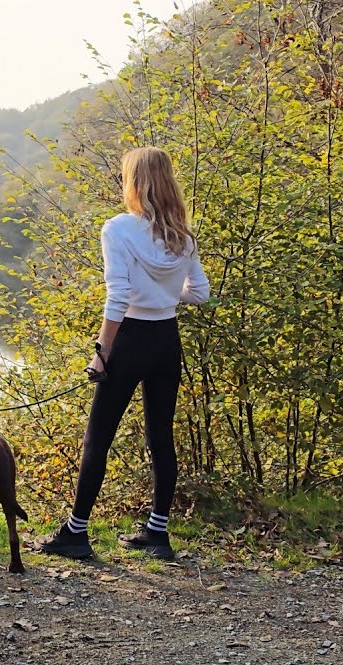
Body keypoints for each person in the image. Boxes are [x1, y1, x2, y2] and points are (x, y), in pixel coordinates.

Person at [35, 146, 210, 560]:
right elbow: (200, 293)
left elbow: (119, 296)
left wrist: (102, 352)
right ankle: (158, 533)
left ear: (134, 183)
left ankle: (76, 534)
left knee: (98, 438)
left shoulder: (118, 229)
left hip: (129, 340)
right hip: (166, 341)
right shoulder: (182, 236)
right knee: (161, 438)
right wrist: (166, 296)